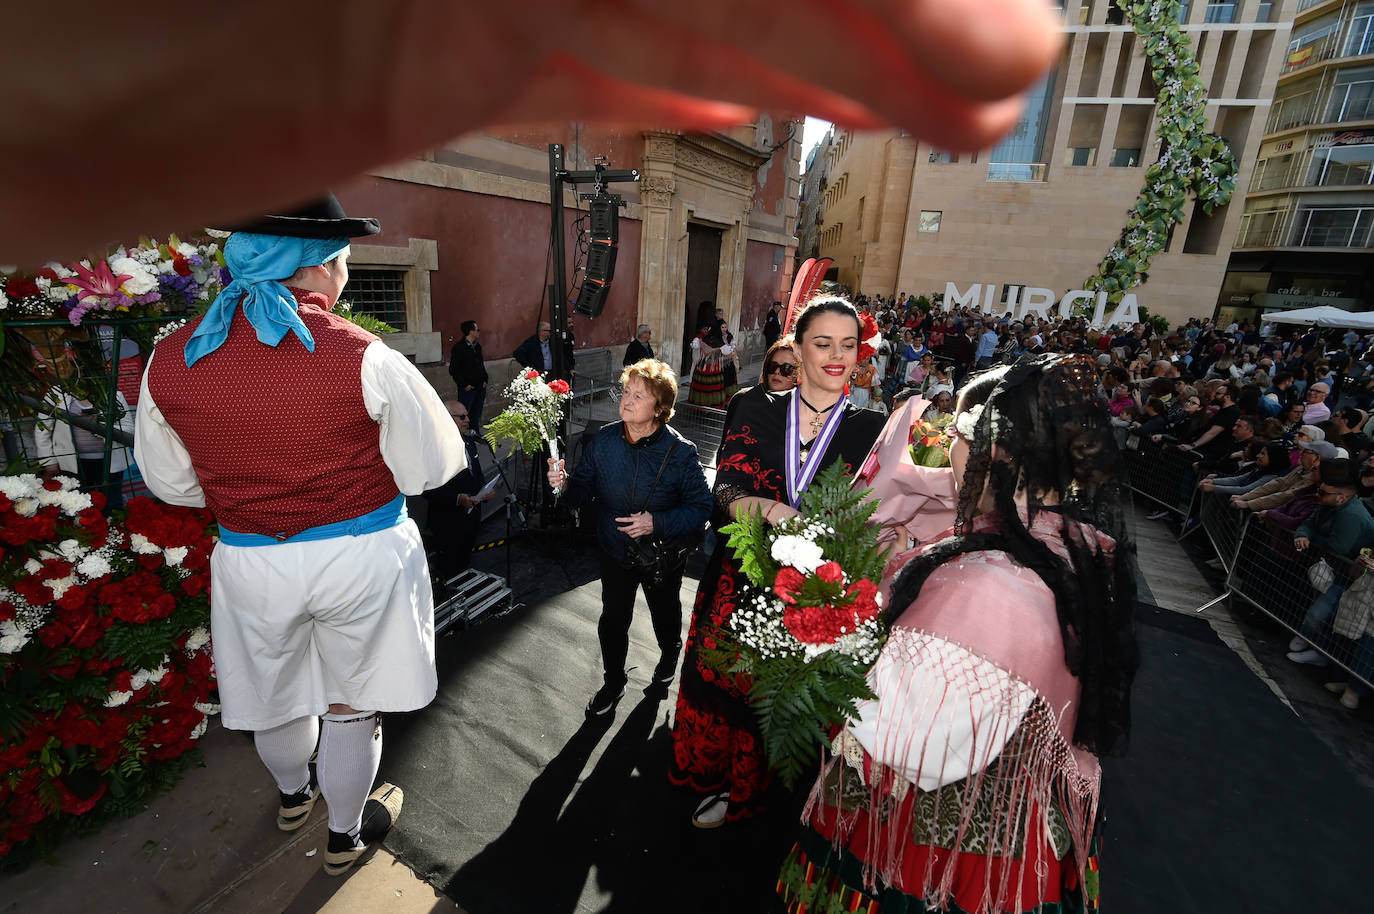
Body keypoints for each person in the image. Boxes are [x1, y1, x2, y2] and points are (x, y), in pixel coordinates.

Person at [133, 194, 466, 875]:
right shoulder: (364, 354)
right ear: (315, 270)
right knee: (351, 704)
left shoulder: (169, 359)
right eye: (342, 263)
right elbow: (429, 468)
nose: (344, 277)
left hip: (253, 560)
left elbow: (172, 485)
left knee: (276, 695)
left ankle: (293, 796)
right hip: (361, 556)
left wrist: (242, 496)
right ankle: (342, 836)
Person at [776, 353, 1136, 914]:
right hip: (1023, 830)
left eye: (959, 433)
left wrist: (821, 655)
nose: (948, 447)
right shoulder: (1075, 545)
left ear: (993, 449)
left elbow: (901, 740)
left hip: (947, 847)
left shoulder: (984, 587)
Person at [670, 295, 885, 828]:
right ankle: (725, 785)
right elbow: (723, 489)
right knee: (730, 691)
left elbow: (877, 520)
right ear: (799, 346)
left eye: (848, 344)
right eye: (822, 343)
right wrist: (763, 508)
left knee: (790, 708)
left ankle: (779, 799)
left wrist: (895, 536)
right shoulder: (752, 405)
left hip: (818, 600)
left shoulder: (874, 429)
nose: (836, 356)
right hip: (737, 585)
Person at [547, 359, 713, 716]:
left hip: (661, 557)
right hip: (615, 550)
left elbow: (702, 507)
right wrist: (562, 486)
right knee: (613, 620)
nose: (627, 400)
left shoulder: (681, 452)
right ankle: (613, 681)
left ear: (659, 408)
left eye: (639, 396)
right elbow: (579, 494)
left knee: (665, 616)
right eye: (626, 391)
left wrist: (658, 522)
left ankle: (669, 657)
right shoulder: (605, 439)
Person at [33, 388, 135, 512]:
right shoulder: (56, 394)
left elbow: (129, 429)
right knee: (75, 505)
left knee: (112, 504)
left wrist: (99, 426)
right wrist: (48, 460)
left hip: (111, 462)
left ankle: (112, 530)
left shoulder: (113, 394)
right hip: (70, 464)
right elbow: (42, 429)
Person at [424, 400, 493, 581]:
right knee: (448, 569)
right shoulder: (434, 448)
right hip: (448, 523)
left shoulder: (469, 441)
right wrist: (457, 499)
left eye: (467, 415)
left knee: (464, 564)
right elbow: (427, 490)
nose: (467, 420)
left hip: (470, 519)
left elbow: (476, 473)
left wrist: (484, 490)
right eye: (462, 417)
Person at [449, 320, 489, 427]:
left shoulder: (477, 346)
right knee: (464, 413)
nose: (479, 332)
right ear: (471, 332)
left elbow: (480, 364)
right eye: (477, 330)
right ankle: (466, 436)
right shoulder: (459, 348)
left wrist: (485, 379)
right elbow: (453, 369)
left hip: (480, 386)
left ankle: (475, 433)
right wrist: (464, 385)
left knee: (476, 413)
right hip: (468, 389)